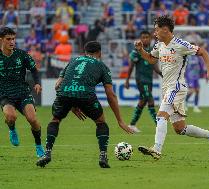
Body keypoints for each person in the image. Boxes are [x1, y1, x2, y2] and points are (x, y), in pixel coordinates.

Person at [134, 15, 209, 160]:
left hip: (176, 87)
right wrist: (141, 50)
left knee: (161, 116)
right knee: (180, 129)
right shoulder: (159, 45)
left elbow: (203, 52)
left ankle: (156, 149)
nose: (154, 33)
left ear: (165, 29)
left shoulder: (180, 44)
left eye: (156, 30)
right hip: (167, 88)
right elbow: (150, 59)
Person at [36, 41, 134, 168]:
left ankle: (47, 153)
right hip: (86, 96)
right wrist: (120, 121)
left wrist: (72, 105)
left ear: (84, 52)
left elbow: (57, 85)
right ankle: (103, 156)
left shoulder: (73, 61)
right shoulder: (101, 66)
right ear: (100, 53)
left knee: (55, 119)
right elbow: (111, 95)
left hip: (64, 94)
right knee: (101, 122)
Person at [0, 27, 44, 157]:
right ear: (1, 40)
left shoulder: (22, 55)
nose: (12, 41)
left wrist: (37, 83)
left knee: (32, 119)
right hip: (5, 93)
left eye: (13, 39)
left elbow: (34, 70)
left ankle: (38, 145)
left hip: (23, 92)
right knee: (10, 116)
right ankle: (12, 129)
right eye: (8, 39)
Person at [124, 30, 162, 133]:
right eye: (143, 37)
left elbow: (155, 67)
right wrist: (127, 80)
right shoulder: (136, 51)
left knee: (142, 101)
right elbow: (131, 67)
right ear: (140, 39)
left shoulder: (152, 51)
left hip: (149, 80)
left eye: (147, 37)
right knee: (150, 100)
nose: (145, 39)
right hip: (141, 80)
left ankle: (132, 124)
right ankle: (159, 126)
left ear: (150, 39)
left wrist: (164, 75)